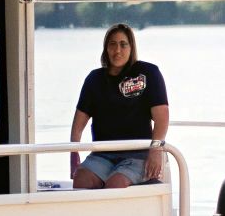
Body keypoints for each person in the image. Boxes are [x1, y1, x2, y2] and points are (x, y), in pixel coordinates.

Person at [69, 24, 169, 189]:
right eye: (112, 44)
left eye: (123, 44)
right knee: (81, 179)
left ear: (131, 47)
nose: (118, 50)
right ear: (106, 49)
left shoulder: (148, 72)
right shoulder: (94, 79)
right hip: (103, 155)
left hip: (138, 155)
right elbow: (78, 125)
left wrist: (156, 150)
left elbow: (162, 117)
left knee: (116, 183)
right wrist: (74, 157)